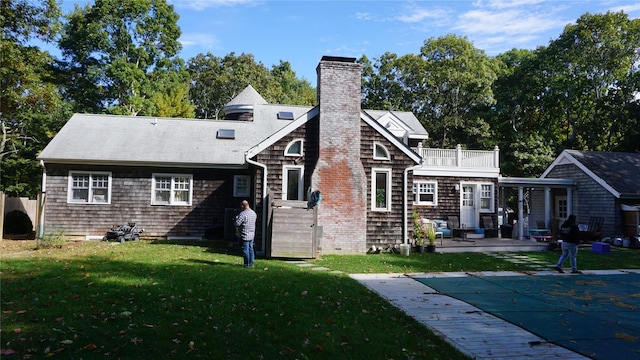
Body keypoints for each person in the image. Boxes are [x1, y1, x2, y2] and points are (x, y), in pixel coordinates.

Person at [234, 200, 257, 267]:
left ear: (242, 206)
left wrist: (236, 218)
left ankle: (246, 264)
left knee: (245, 250)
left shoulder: (243, 214)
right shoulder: (253, 213)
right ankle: (251, 263)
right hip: (252, 234)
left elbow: (237, 224)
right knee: (251, 249)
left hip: (245, 234)